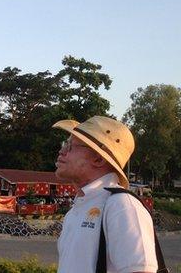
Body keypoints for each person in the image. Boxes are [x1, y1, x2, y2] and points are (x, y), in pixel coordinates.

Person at [53, 116, 166, 273]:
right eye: (65, 144)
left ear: (99, 159)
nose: (62, 151)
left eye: (71, 146)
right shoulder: (78, 208)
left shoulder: (121, 205)